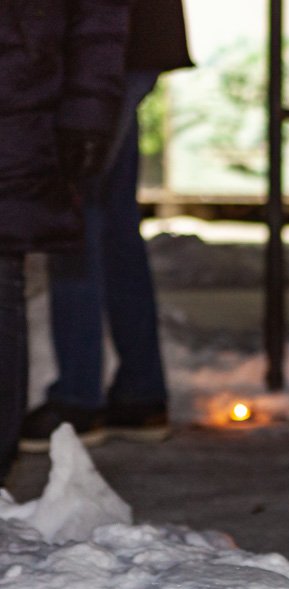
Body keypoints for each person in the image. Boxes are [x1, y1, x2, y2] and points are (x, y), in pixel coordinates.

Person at [19, 0, 192, 452]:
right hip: (125, 44)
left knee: (77, 217)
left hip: (102, 49)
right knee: (111, 223)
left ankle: (79, 399)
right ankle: (138, 393)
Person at [1, 0, 131, 484]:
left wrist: (88, 108)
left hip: (20, 98)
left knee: (3, 272)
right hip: (26, 81)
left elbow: (99, 16)